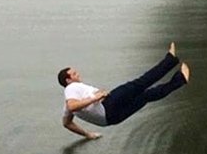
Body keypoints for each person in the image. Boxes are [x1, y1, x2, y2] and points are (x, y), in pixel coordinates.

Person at [58, 42, 190, 139]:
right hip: (108, 104)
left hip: (111, 120)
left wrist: (88, 134)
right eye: (74, 74)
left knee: (146, 96)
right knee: (141, 83)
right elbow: (72, 105)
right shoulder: (71, 88)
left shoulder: (67, 108)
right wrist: (96, 97)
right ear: (68, 80)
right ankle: (170, 60)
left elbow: (67, 123)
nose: (78, 74)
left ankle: (180, 79)